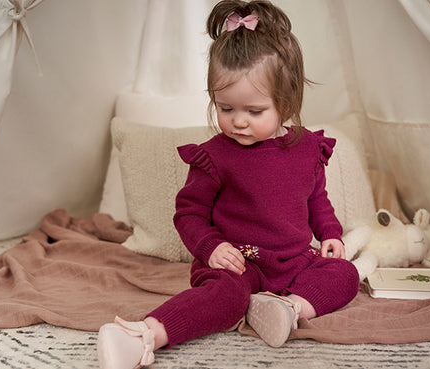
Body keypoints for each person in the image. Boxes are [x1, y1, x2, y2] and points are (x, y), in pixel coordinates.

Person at [97, 1, 359, 368]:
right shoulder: (215, 157)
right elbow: (189, 213)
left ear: (286, 101)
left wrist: (330, 233)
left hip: (293, 262)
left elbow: (316, 198)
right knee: (225, 295)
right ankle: (143, 336)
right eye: (226, 108)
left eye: (254, 111)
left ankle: (287, 308)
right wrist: (212, 247)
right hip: (238, 261)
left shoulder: (307, 148)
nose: (238, 122)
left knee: (345, 275)